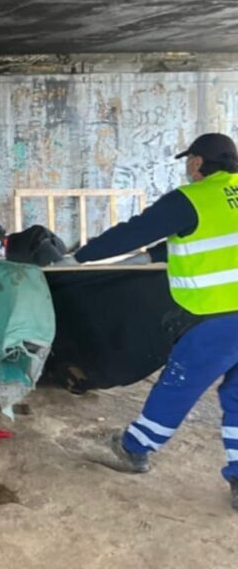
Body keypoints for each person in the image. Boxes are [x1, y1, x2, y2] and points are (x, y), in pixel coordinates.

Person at [72, 132, 238, 511]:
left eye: (189, 161)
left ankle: (133, 448)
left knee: (177, 387)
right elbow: (214, 235)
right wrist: (154, 255)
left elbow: (133, 232)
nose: (188, 167)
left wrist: (80, 256)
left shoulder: (191, 198)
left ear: (197, 162)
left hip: (216, 319)